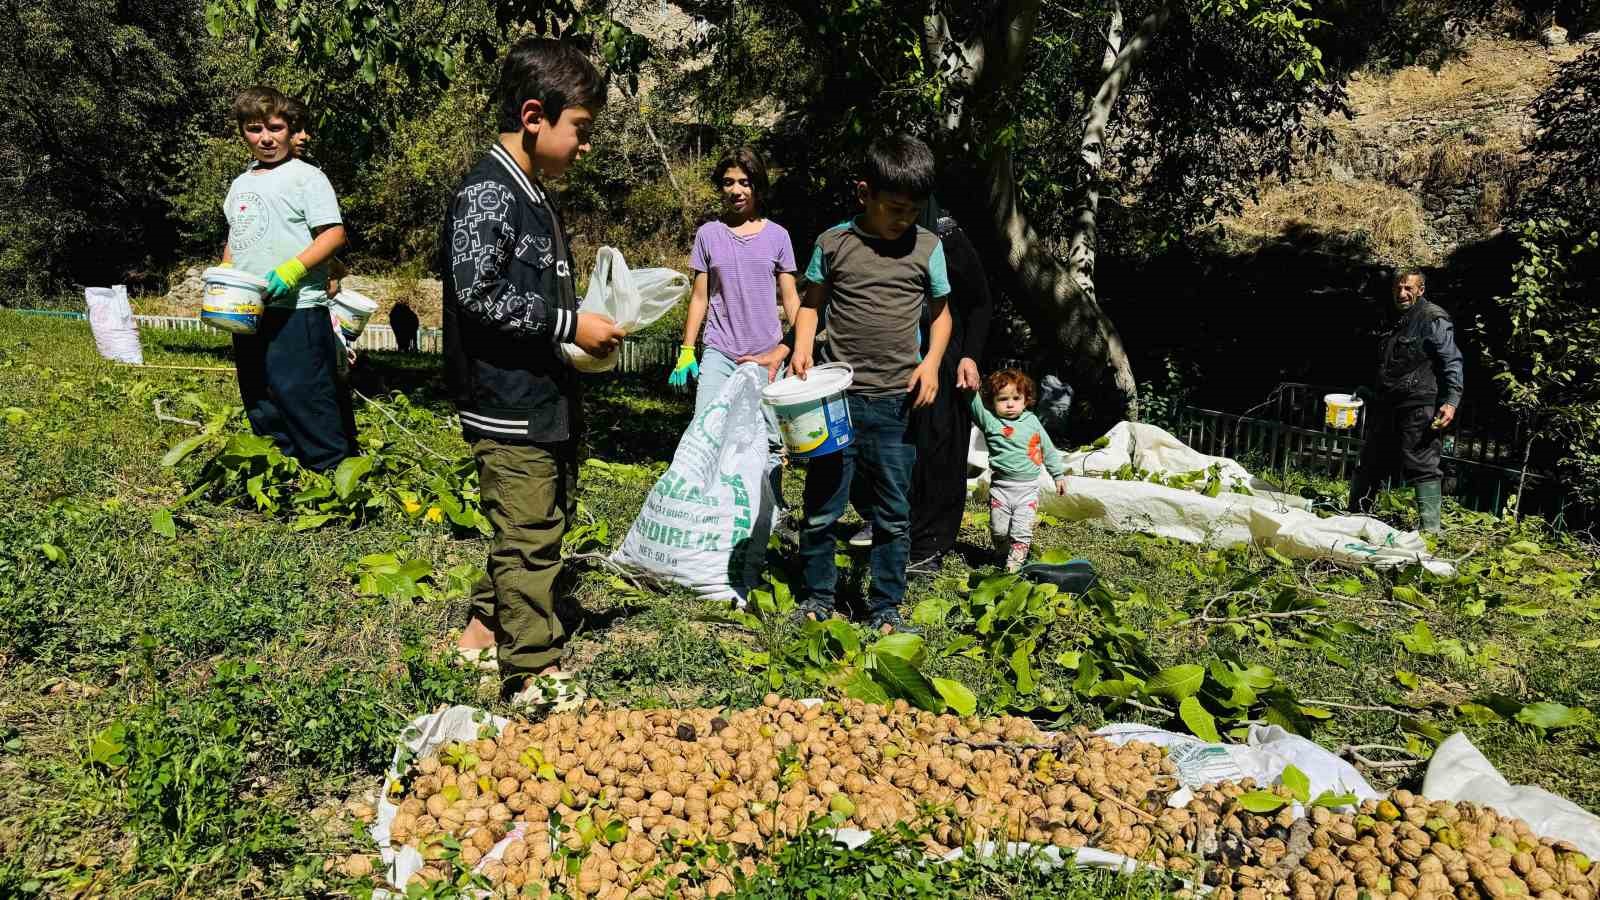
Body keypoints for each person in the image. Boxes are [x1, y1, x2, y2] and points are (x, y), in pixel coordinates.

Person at [443, 38, 625, 707]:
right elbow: (477, 293)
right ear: (533, 115)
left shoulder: (529, 191)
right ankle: (534, 672)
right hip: (504, 398)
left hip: (540, 392)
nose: (584, 144)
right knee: (528, 536)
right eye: (580, 128)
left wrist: (578, 330)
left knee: (539, 521)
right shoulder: (490, 193)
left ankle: (482, 633)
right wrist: (569, 325)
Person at [790, 134, 953, 633]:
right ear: (864, 193)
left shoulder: (928, 247)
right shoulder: (833, 243)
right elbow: (812, 304)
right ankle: (817, 596)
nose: (904, 220)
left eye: (913, 210)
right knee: (822, 507)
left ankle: (885, 604)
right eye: (894, 209)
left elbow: (942, 315)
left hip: (894, 402)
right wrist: (801, 346)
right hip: (835, 400)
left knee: (892, 513)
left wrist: (931, 364)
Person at [848, 200, 993, 571]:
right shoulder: (863, 234)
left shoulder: (945, 234)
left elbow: (979, 303)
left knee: (937, 449)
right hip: (884, 357)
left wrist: (969, 356)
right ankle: (880, 518)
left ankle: (928, 542)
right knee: (872, 443)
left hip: (942, 356)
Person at [222, 86, 353, 472]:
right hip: (250, 310)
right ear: (242, 132)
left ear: (290, 128)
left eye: (275, 128)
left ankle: (331, 476)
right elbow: (238, 234)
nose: (265, 138)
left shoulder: (307, 177)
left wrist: (293, 269)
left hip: (298, 309)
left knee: (304, 393)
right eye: (254, 128)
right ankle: (284, 475)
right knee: (260, 396)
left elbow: (333, 234)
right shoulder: (240, 184)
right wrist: (225, 275)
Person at [668, 147, 801, 510]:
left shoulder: (778, 236)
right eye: (728, 183)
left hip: (767, 356)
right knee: (705, 429)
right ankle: (701, 505)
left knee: (770, 438)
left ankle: (770, 508)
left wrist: (801, 345)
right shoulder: (709, 235)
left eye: (744, 182)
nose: (736, 190)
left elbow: (790, 299)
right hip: (720, 351)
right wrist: (687, 349)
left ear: (757, 186)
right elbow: (699, 297)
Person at [1347, 269, 1464, 534]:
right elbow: (1387, 365)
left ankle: (1431, 532)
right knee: (1371, 460)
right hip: (1387, 403)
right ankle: (1354, 518)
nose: (1402, 293)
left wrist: (1451, 400)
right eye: (1398, 288)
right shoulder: (1393, 318)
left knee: (1421, 463)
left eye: (1408, 288)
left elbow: (1451, 360)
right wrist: (1366, 390)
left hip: (1419, 403)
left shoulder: (1433, 317)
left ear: (1421, 290)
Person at [969, 369, 1069, 572]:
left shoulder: (1032, 421)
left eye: (1016, 398)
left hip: (1027, 490)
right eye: (1002, 399)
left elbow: (1047, 448)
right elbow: (975, 405)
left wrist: (1057, 475)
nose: (1010, 404)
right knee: (998, 530)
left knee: (1021, 530)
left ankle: (1013, 567)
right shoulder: (991, 422)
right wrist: (970, 388)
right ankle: (1003, 552)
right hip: (1001, 489)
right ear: (993, 401)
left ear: (1026, 400)